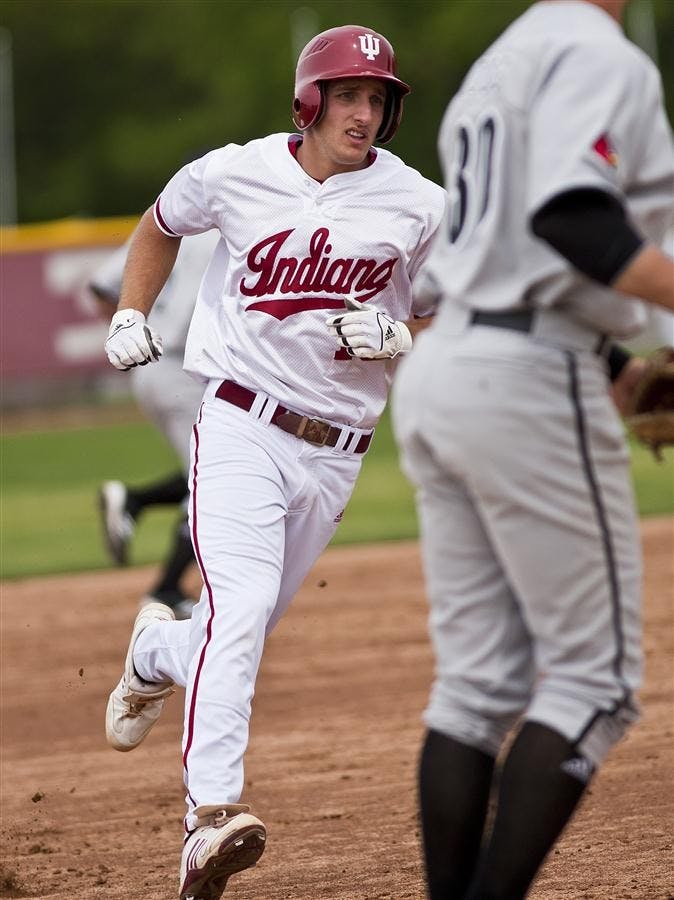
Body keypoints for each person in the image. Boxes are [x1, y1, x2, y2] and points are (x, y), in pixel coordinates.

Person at [102, 24, 447, 900]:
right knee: (244, 609)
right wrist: (132, 311)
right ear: (309, 100)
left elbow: (460, 303)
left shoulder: (417, 205)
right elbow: (160, 223)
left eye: (378, 99)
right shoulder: (238, 172)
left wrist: (406, 332)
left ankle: (155, 653)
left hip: (337, 454)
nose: (364, 113)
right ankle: (208, 822)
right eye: (349, 96)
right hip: (238, 423)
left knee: (236, 629)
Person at [391, 1, 674, 898]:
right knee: (596, 684)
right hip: (528, 375)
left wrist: (618, 362)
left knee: (475, 689)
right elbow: (574, 221)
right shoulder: (603, 56)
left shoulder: (503, 57)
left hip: (450, 365)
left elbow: (522, 239)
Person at [91, 229, 221, 619]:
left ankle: (134, 500)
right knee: (211, 483)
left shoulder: (165, 225)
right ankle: (164, 590)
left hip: (151, 367)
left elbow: (100, 285)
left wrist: (133, 331)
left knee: (212, 467)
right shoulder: (236, 222)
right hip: (186, 370)